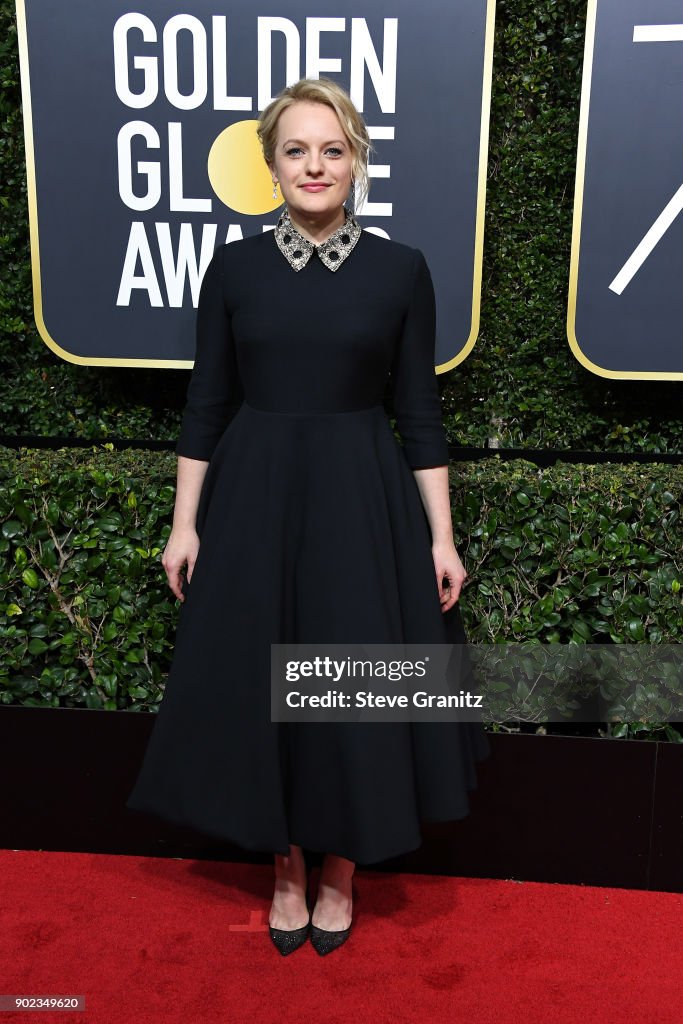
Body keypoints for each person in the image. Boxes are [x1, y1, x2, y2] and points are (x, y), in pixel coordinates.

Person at [126, 76, 490, 957]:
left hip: (360, 499)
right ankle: (284, 865)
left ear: (357, 159)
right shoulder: (235, 268)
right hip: (254, 496)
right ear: (272, 164)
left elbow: (420, 414)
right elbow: (206, 403)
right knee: (266, 683)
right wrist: (185, 523)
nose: (314, 165)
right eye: (296, 149)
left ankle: (341, 869)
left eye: (332, 149)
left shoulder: (400, 269)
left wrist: (440, 536)